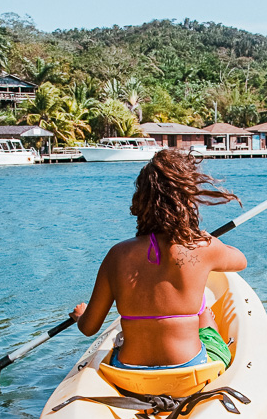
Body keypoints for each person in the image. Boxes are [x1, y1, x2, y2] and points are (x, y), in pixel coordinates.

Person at [71, 149, 246, 370]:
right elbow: (240, 260)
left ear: (141, 200)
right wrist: (205, 238)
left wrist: (80, 316)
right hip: (190, 367)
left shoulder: (117, 254)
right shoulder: (203, 246)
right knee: (204, 315)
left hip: (130, 372)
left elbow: (89, 327)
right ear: (188, 200)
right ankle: (203, 317)